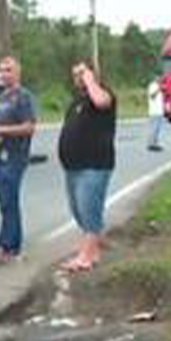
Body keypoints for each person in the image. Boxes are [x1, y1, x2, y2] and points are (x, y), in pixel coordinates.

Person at [58, 61, 116, 272]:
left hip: (94, 165)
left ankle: (86, 257)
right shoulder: (77, 101)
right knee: (78, 211)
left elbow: (101, 102)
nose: (78, 78)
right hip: (73, 167)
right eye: (75, 74)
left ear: (92, 74)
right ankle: (94, 250)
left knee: (89, 210)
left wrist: (91, 81)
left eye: (82, 73)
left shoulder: (104, 94)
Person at [0, 56, 37, 267]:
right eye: (1, 71)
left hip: (13, 156)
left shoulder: (23, 97)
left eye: (8, 70)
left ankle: (6, 247)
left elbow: (29, 126)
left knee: (8, 201)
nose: (4, 74)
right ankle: (11, 244)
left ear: (17, 72)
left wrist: (2, 130)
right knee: (5, 204)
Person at [146, 77, 165, 151]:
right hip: (154, 112)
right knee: (154, 128)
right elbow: (152, 96)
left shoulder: (158, 86)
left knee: (157, 129)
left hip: (159, 111)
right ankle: (151, 144)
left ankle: (155, 143)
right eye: (158, 78)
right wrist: (159, 89)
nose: (160, 79)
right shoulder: (152, 86)